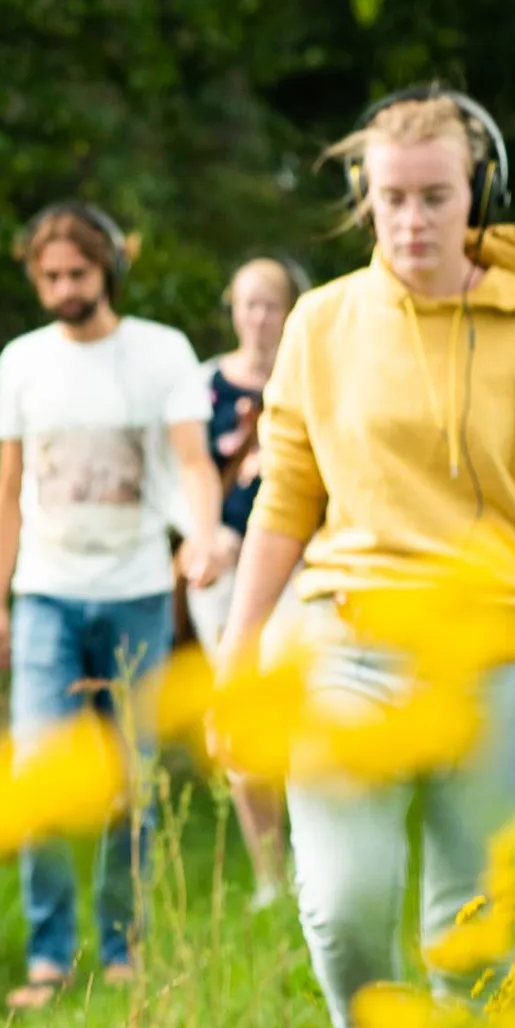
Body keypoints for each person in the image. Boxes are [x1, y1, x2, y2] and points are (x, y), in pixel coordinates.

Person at [218, 89, 515, 1028]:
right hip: (347, 643)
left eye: (436, 197)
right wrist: (237, 655)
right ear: (366, 196)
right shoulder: (323, 325)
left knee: (473, 937)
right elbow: (284, 499)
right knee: (344, 900)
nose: (411, 220)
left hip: (501, 653)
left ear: (480, 192)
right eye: (391, 196)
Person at [0, 202, 231, 1010]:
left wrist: (208, 532)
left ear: (110, 268)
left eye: (76, 275)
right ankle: (49, 955)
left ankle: (124, 947)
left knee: (133, 775)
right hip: (46, 592)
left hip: (137, 591)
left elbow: (193, 460)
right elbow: (8, 489)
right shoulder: (21, 360)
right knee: (40, 770)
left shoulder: (161, 353)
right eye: (48, 277)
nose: (62, 290)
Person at [197, 253, 307, 904]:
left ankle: (306, 857)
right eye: (247, 303)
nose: (259, 316)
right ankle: (269, 872)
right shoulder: (203, 385)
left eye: (271, 302)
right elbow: (182, 472)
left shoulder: (312, 376)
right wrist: (204, 533)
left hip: (297, 570)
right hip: (222, 573)